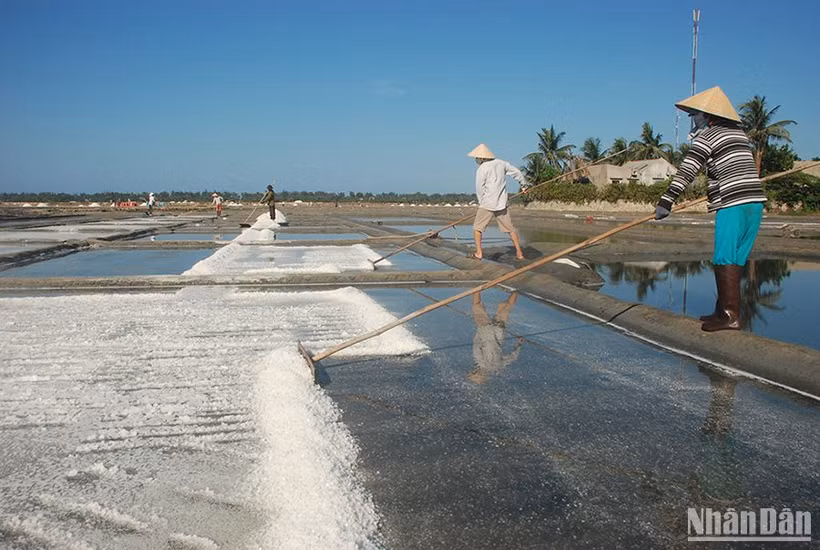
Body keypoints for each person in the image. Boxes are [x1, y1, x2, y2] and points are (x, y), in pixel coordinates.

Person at [655, 86, 766, 332]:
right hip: (755, 204)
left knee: (724, 257)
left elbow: (688, 170)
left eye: (694, 115)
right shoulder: (739, 135)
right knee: (736, 259)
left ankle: (730, 316)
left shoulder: (708, 137)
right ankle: (723, 311)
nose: (692, 120)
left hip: (733, 204)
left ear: (707, 116)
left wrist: (666, 201)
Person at [467, 143, 530, 261]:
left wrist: (481, 201)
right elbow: (518, 173)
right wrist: (524, 186)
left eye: (477, 157)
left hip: (487, 203)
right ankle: (519, 253)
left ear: (481, 158)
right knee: (510, 229)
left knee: (477, 228)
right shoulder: (502, 163)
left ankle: (479, 253)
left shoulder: (482, 168)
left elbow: (479, 187)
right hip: (502, 203)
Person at [468, 291, 524, 385]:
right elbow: (476, 345)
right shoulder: (479, 361)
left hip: (499, 332)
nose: (473, 370)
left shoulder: (497, 367)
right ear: (479, 373)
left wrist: (519, 344)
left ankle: (516, 289)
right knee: (477, 306)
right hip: (485, 330)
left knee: (506, 308)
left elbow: (513, 357)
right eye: (474, 372)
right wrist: (479, 330)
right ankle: (477, 286)